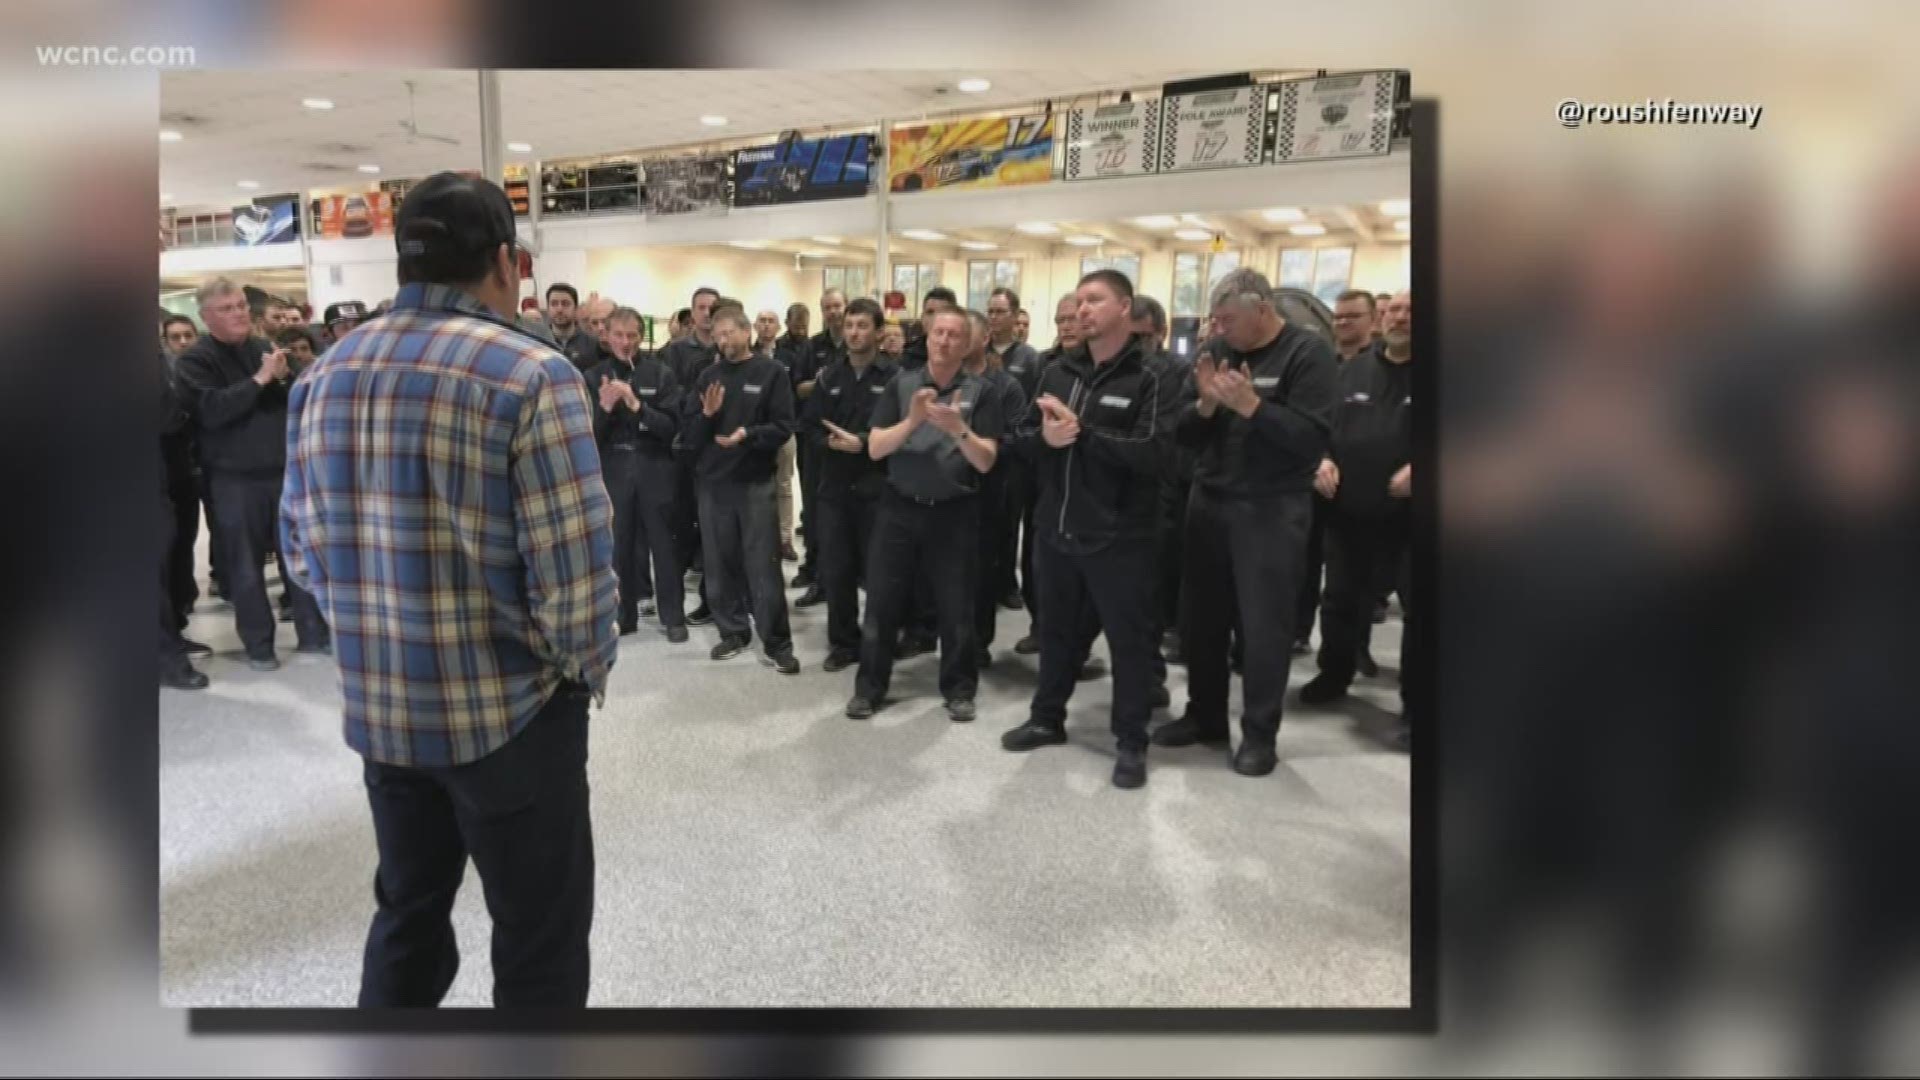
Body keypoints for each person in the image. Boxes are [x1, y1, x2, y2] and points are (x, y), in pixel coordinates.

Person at [281, 172, 614, 1008]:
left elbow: (302, 550)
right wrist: (580, 671)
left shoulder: (325, 373)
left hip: (382, 714)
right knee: (538, 936)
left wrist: (370, 627)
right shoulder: (532, 373)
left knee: (408, 911)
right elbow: (573, 580)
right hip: (511, 715)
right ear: (506, 262)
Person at [1153, 269, 1338, 776]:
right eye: (1216, 319)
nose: (1219, 328)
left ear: (1262, 309)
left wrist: (1253, 406)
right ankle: (1205, 715)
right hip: (1210, 500)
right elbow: (1184, 436)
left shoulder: (1307, 354)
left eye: (1228, 319)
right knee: (1201, 622)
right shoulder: (1218, 351)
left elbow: (1310, 439)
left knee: (1263, 628)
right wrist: (1209, 404)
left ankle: (1260, 734)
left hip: (1271, 509)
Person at [999, 271, 1179, 789]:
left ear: (1125, 307)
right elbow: (1024, 440)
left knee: (1129, 645)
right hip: (1056, 529)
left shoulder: (1155, 375)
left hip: (1124, 539)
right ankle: (1046, 718)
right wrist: (1049, 441)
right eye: (1078, 301)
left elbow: (1156, 454)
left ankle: (1130, 741)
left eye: (1094, 300)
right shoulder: (1057, 370)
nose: (1082, 310)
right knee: (1055, 634)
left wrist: (1079, 434)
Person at [845, 307, 1004, 722]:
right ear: (928, 338)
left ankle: (959, 688)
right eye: (938, 333)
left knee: (956, 607)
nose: (945, 341)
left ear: (967, 343)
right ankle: (869, 689)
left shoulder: (983, 392)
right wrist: (913, 421)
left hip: (954, 513)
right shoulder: (904, 384)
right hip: (899, 508)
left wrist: (959, 431)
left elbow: (986, 461)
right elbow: (876, 447)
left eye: (954, 335)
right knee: (881, 603)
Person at [174, 278, 329, 670]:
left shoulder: (266, 349)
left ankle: (314, 633)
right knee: (244, 567)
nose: (239, 313)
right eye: (227, 308)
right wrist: (260, 380)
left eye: (241, 305)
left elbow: (299, 399)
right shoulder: (196, 360)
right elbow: (211, 410)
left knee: (299, 560)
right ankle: (259, 645)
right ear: (207, 316)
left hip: (283, 473)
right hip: (233, 480)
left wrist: (283, 376)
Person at [1301, 289, 1413, 750]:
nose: (1399, 317)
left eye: (1411, 311)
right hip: (1349, 512)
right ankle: (1334, 674)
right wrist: (1321, 459)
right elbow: (1323, 427)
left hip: (1411, 521)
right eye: (1394, 310)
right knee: (1340, 601)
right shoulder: (1352, 371)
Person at [681, 305, 800, 673]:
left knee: (763, 566)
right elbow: (689, 435)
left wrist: (748, 435)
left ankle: (777, 641)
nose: (722, 340)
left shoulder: (770, 373)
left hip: (754, 484)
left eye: (728, 333)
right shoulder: (708, 375)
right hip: (714, 485)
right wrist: (708, 415)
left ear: (746, 332)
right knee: (719, 564)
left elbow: (783, 426)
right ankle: (732, 631)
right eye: (717, 335)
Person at [802, 298, 895, 673]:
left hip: (878, 490)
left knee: (878, 575)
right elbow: (808, 426)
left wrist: (862, 441)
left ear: (878, 331)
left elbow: (903, 430)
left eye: (862, 326)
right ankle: (843, 643)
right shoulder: (829, 376)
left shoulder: (894, 378)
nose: (854, 332)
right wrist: (829, 443)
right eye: (850, 325)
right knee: (837, 571)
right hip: (835, 490)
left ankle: (877, 644)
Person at [589, 306, 690, 644]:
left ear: (641, 336)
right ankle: (623, 615)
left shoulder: (661, 374)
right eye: (618, 335)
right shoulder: (592, 376)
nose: (625, 342)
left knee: (664, 545)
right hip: (614, 468)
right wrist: (603, 410)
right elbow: (585, 435)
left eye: (632, 335)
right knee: (618, 547)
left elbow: (673, 428)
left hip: (655, 466)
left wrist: (637, 406)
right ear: (606, 335)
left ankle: (673, 616)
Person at [1011, 292, 1086, 655]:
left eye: (1072, 319)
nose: (1066, 327)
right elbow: (1024, 430)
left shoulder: (1120, 373)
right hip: (1046, 489)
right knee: (1040, 570)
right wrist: (1045, 437)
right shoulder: (1050, 369)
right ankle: (1043, 628)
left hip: (1094, 498)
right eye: (1059, 321)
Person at [961, 309, 1030, 668]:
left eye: (963, 334)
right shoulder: (944, 380)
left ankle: (977, 643)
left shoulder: (1005, 386)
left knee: (981, 574)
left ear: (984, 338)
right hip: (945, 491)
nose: (953, 342)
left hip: (989, 491)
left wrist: (980, 446)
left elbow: (1019, 437)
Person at [662, 288, 724, 621]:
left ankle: (713, 597)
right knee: (684, 520)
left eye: (712, 308)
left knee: (716, 530)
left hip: (720, 448)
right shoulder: (674, 352)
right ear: (691, 311)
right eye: (700, 308)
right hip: (685, 445)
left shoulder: (727, 348)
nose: (706, 313)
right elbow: (672, 395)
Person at [985, 288, 1043, 614]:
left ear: (1015, 315)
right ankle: (989, 581)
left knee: (1011, 520)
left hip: (1017, 454)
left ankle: (1007, 583)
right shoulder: (978, 353)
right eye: (990, 312)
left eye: (1000, 312)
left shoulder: (1029, 358)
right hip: (983, 447)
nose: (994, 318)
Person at [792, 291, 843, 598]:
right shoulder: (813, 347)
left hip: (848, 440)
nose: (833, 312)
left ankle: (836, 575)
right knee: (812, 505)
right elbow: (799, 389)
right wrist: (821, 381)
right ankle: (812, 568)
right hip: (814, 438)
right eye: (828, 307)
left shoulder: (857, 347)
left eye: (838, 306)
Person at [544, 283, 604, 374]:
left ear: (575, 308)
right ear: (548, 309)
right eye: (554, 304)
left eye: (565, 304)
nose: (559, 309)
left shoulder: (593, 344)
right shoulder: (539, 342)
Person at [897, 286, 956, 372]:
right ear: (922, 317)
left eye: (942, 312)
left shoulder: (963, 355)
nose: (935, 318)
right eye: (930, 312)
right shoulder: (907, 357)